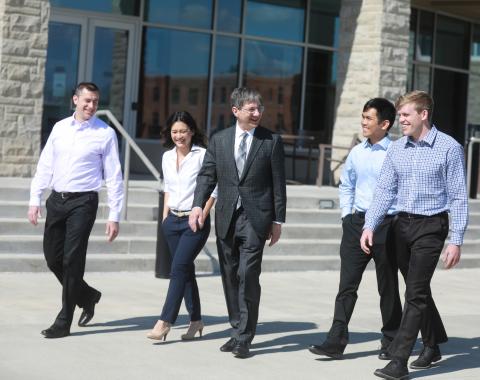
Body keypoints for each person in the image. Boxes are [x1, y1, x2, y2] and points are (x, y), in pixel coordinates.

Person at [360, 91, 468, 380]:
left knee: (415, 293)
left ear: (423, 114)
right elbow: (384, 189)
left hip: (432, 227)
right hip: (401, 226)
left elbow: (458, 197)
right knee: (418, 289)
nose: (401, 120)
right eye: (400, 115)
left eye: (406, 115)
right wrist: (370, 224)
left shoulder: (449, 148)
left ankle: (398, 360)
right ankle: (433, 344)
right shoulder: (397, 148)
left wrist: (455, 239)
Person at [189, 87, 287, 358]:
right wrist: (198, 205)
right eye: (251, 109)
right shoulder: (219, 140)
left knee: (248, 274)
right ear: (236, 111)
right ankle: (236, 329)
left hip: (256, 218)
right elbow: (207, 175)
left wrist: (278, 220)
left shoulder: (271, 141)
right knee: (231, 276)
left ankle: (245, 336)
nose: (257, 113)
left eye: (259, 109)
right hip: (226, 216)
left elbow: (279, 183)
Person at [28, 82, 124, 338]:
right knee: (53, 258)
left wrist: (114, 215)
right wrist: (34, 199)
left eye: (95, 101)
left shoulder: (105, 133)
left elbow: (114, 176)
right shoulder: (60, 128)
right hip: (56, 200)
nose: (91, 106)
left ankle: (63, 321)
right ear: (75, 100)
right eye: (87, 101)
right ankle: (87, 295)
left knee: (72, 261)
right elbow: (46, 163)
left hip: (84, 203)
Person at [309, 98, 402, 360]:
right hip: (356, 224)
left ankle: (391, 341)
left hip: (386, 225)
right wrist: (346, 217)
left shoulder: (395, 152)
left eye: (368, 118)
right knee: (346, 286)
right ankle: (335, 341)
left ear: (384, 124)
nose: (363, 122)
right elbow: (346, 184)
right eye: (362, 116)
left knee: (388, 287)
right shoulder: (357, 152)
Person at [147, 111, 216, 341]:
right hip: (172, 221)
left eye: (183, 131)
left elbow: (213, 189)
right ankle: (196, 320)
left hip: (193, 222)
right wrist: (165, 218)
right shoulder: (167, 157)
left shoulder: (203, 155)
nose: (179, 136)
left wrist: (202, 215)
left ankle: (165, 321)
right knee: (186, 271)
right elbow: (167, 187)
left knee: (178, 269)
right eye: (175, 131)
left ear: (192, 131)